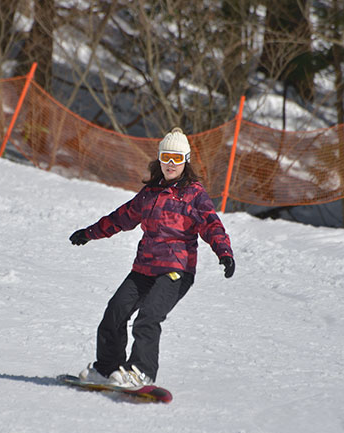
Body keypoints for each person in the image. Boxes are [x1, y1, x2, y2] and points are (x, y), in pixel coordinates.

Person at [69, 127, 235, 388]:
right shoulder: (150, 193)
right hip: (144, 268)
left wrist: (223, 252)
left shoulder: (194, 195)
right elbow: (121, 217)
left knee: (148, 317)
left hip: (176, 270)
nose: (171, 164)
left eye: (177, 159)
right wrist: (90, 233)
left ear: (186, 161)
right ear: (159, 159)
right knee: (115, 312)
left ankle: (141, 372)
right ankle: (107, 368)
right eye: (166, 157)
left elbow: (212, 225)